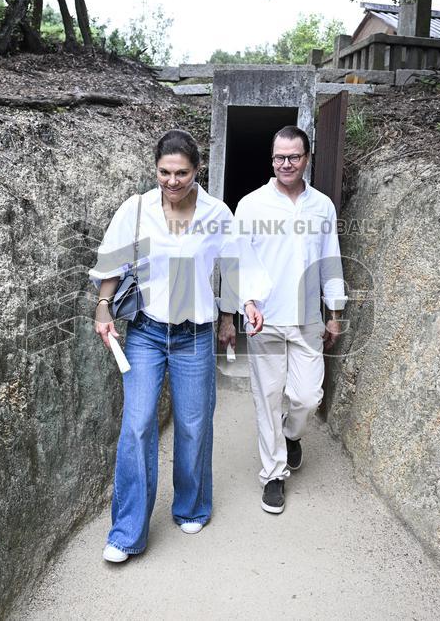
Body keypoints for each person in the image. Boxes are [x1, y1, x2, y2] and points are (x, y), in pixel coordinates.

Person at [90, 129, 267, 563]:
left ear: (197, 170)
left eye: (181, 173)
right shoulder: (136, 209)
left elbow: (237, 264)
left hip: (194, 336)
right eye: (164, 172)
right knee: (136, 425)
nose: (172, 181)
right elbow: (113, 261)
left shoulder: (216, 213)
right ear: (155, 169)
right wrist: (102, 306)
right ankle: (127, 532)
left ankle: (190, 505)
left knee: (193, 425)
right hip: (147, 333)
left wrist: (244, 304)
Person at [223, 125, 346, 514]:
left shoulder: (322, 206)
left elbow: (331, 260)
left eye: (294, 156)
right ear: (272, 159)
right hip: (266, 321)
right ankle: (273, 475)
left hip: (309, 318)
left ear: (307, 157)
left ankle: (292, 435)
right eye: (279, 157)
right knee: (267, 397)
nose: (286, 163)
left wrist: (335, 312)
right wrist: (240, 307)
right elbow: (237, 262)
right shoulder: (252, 205)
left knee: (307, 396)